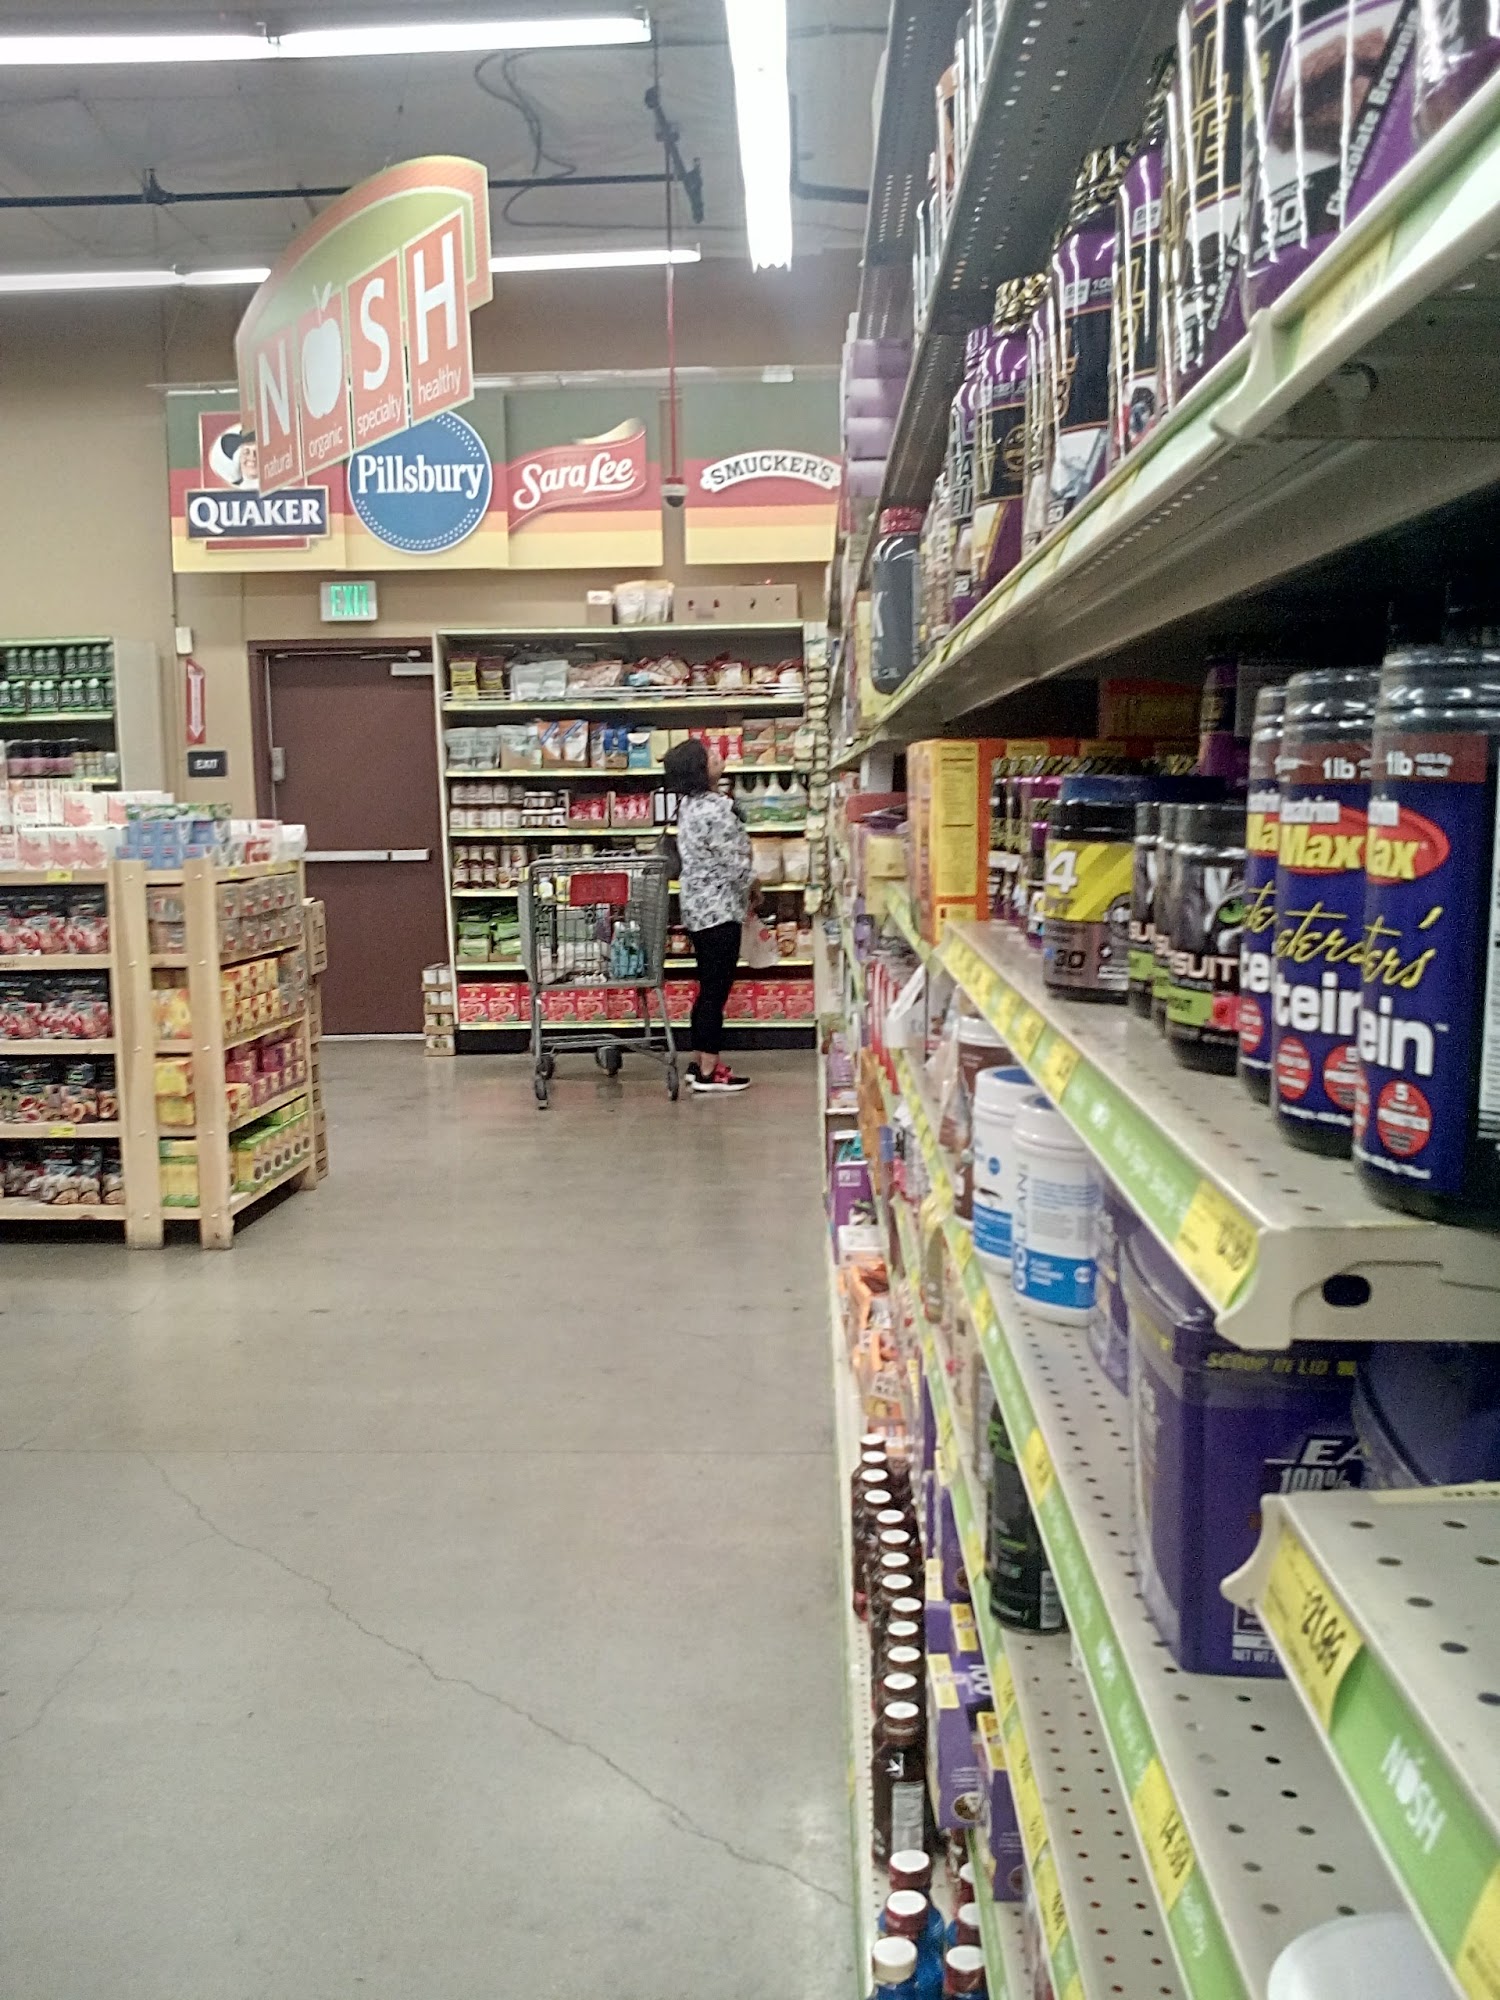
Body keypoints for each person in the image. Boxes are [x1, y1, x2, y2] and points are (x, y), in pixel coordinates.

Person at [663, 737, 753, 1094]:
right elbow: (736, 864)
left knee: (707, 987)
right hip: (720, 910)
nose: (717, 755)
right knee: (716, 991)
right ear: (699, 771)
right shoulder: (715, 810)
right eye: (709, 755)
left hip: (698, 908)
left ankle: (699, 1058)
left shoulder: (689, 805)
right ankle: (709, 1071)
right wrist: (753, 886)